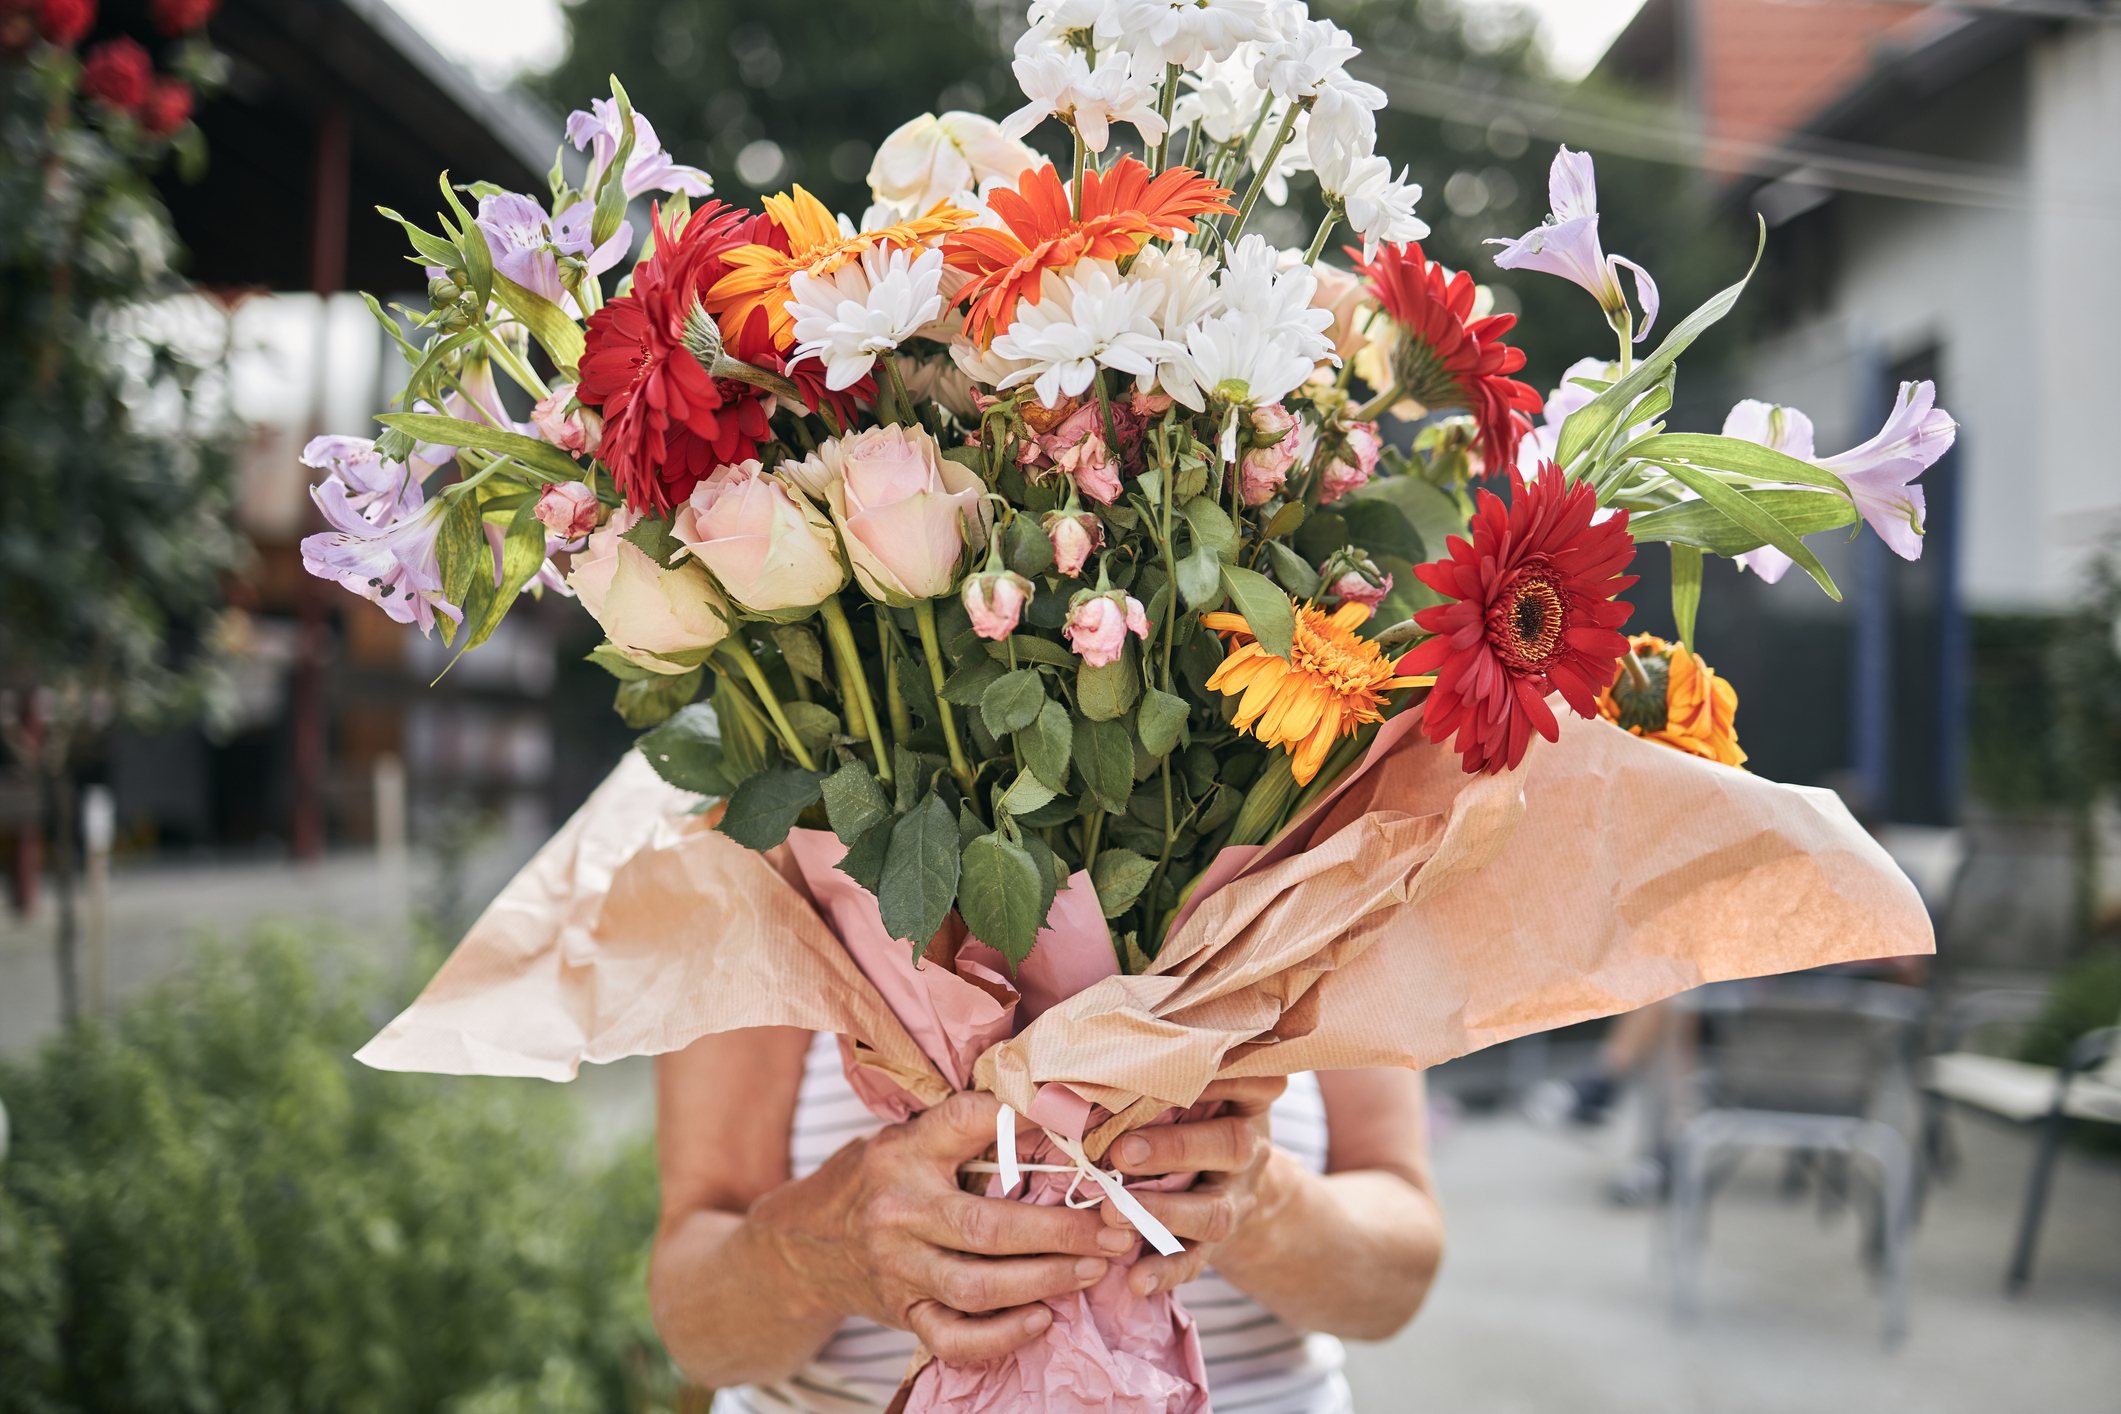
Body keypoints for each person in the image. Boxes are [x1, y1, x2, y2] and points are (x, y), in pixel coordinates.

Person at [651, 1026, 1446, 1412]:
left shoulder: (1328, 811)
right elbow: (692, 1321)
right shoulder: (770, 829)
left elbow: (1397, 1281)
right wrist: (809, 1256)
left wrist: (1257, 1204)